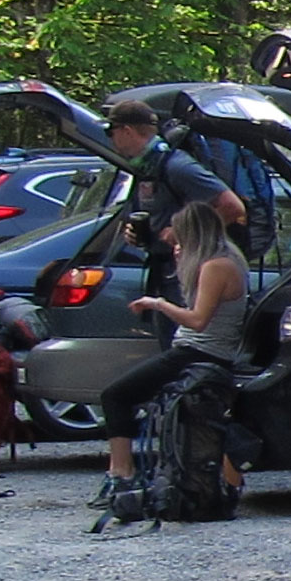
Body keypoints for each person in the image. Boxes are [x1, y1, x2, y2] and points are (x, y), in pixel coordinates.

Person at [93, 202, 251, 507]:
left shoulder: (216, 266)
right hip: (198, 347)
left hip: (201, 351)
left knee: (115, 395)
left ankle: (121, 471)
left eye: (180, 239)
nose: (177, 246)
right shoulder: (223, 259)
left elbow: (198, 319)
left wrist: (158, 303)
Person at [104, 99, 246, 296]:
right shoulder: (147, 167)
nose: (110, 138)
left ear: (127, 131)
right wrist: (137, 233)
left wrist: (184, 233)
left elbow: (233, 207)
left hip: (189, 273)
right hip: (163, 271)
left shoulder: (177, 166)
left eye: (111, 131)